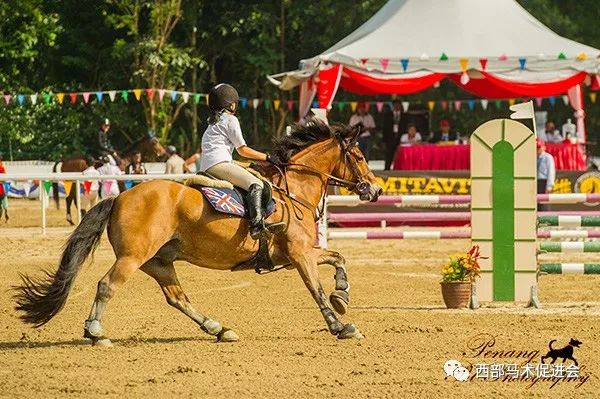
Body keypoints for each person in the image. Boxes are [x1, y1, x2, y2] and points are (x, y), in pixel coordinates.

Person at [199, 83, 284, 240]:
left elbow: (227, 157)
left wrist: (251, 165)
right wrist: (268, 157)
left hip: (208, 166)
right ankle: (257, 225)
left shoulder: (212, 123)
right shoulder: (230, 120)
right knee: (256, 184)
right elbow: (242, 150)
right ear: (231, 104)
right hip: (218, 165)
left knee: (250, 177)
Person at [382, 100, 402, 170]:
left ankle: (399, 169)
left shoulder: (404, 115)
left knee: (400, 155)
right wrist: (384, 141)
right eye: (395, 105)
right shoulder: (388, 115)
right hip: (390, 139)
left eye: (398, 105)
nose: (397, 106)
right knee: (389, 155)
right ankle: (386, 170)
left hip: (400, 138)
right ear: (393, 106)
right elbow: (385, 129)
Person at [537, 138, 555, 211]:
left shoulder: (548, 157)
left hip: (543, 181)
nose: (538, 149)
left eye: (539, 147)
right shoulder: (533, 157)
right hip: (535, 181)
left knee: (544, 202)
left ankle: (545, 218)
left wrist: (549, 186)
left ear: (544, 147)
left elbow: (551, 171)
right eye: (537, 147)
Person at [0, 152, 8, 222]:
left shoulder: (2, 167)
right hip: (1, 190)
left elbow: (4, 178)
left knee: (3, 206)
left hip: (1, 190)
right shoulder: (2, 166)